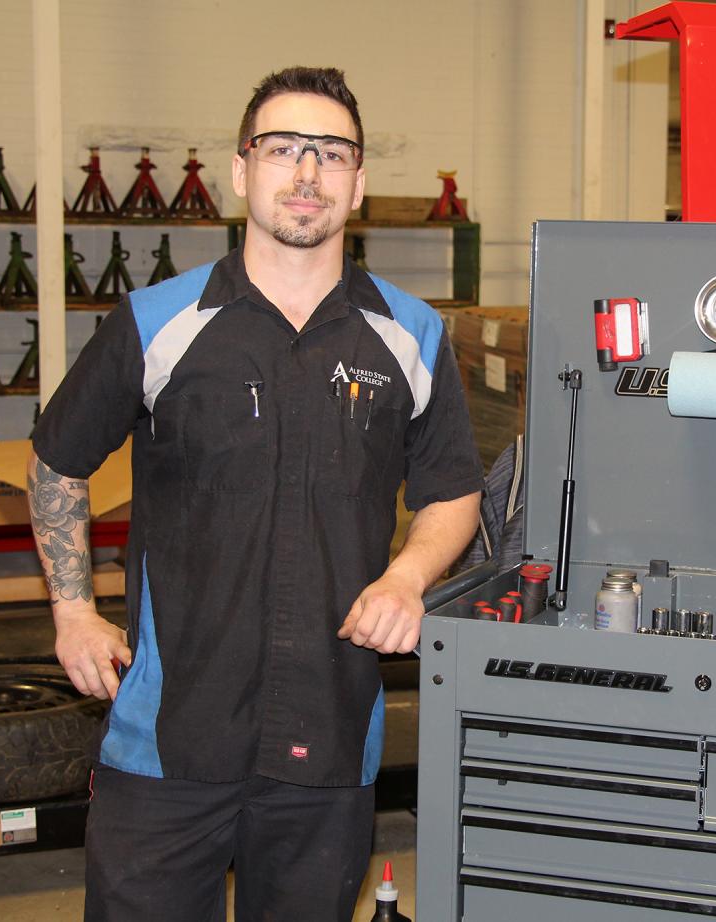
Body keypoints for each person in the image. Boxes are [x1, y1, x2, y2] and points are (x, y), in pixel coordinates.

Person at [28, 66, 483, 922]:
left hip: (330, 735)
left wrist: (407, 578)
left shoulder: (413, 336)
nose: (307, 173)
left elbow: (452, 490)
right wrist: (72, 610)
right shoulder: (157, 322)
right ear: (241, 172)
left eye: (332, 153)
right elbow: (58, 460)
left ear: (358, 182)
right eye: (283, 149)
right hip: (167, 741)